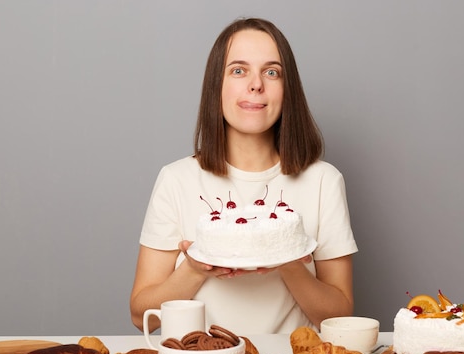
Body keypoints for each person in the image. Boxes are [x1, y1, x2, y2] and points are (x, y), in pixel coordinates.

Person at [130, 17, 357, 335]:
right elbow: (142, 316)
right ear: (216, 86)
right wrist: (196, 268)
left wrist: (288, 258)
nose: (256, 84)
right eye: (238, 70)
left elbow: (340, 315)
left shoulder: (324, 181)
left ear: (286, 89)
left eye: (272, 72)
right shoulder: (176, 179)